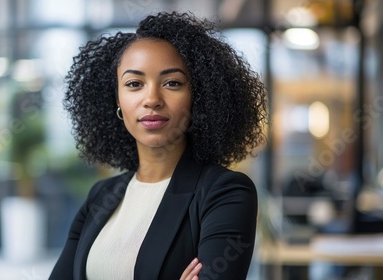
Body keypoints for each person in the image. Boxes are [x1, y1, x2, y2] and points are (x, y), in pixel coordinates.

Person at [49, 11, 267, 280]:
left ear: (199, 96)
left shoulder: (224, 193)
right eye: (134, 84)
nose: (152, 99)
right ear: (116, 99)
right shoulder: (100, 196)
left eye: (172, 83)